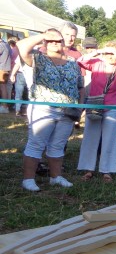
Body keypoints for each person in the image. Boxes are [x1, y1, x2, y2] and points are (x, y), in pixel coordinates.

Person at [16, 30, 83, 191]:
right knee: (36, 144)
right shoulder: (37, 58)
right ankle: (28, 179)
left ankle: (55, 177)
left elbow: (80, 87)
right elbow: (21, 46)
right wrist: (44, 35)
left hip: (68, 111)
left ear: (63, 42)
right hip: (43, 108)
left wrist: (80, 107)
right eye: (50, 40)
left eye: (58, 40)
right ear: (45, 42)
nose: (54, 43)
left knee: (58, 145)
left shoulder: (73, 62)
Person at [77, 41, 116, 183]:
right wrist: (98, 52)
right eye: (107, 53)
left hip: (113, 106)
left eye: (112, 54)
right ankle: (88, 169)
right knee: (90, 137)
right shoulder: (96, 63)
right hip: (95, 104)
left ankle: (107, 171)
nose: (109, 56)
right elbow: (80, 61)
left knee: (110, 139)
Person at [0, 37, 11, 114]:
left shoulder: (1, 45)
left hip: (1, 68)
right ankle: (4, 106)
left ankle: (4, 107)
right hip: (6, 68)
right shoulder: (6, 44)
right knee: (3, 88)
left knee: (2, 88)